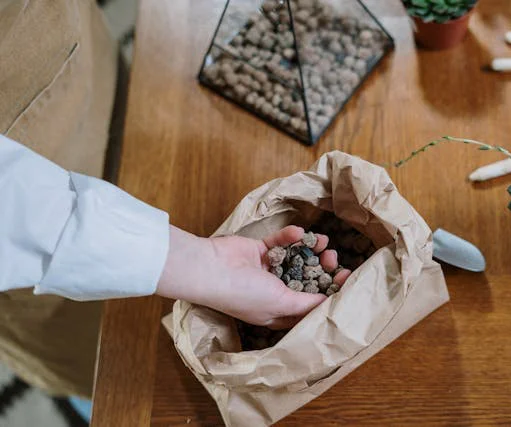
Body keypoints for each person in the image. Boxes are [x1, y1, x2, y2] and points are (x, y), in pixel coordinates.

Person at [0, 133, 350, 387]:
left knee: (124, 139)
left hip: (73, 84)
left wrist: (207, 262)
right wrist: (205, 265)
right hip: (31, 258)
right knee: (106, 364)